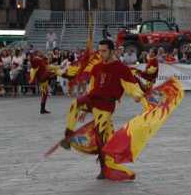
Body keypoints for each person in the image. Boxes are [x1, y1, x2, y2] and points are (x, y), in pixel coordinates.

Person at [58, 40, 146, 180]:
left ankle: (104, 169)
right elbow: (91, 88)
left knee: (101, 135)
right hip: (93, 100)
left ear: (112, 51)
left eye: (104, 51)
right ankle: (68, 137)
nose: (101, 53)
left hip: (106, 106)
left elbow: (131, 85)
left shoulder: (121, 68)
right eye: (99, 51)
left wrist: (137, 95)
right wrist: (83, 110)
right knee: (75, 104)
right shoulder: (97, 67)